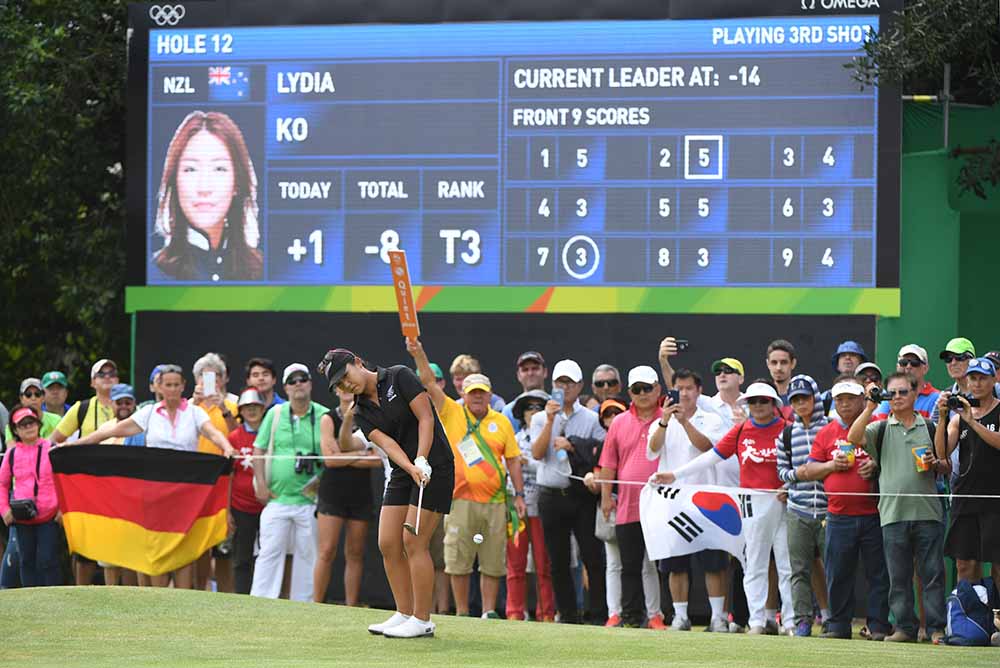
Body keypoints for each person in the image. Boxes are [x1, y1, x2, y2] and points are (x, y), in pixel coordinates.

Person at [321, 348, 454, 639]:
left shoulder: (399, 376)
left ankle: (422, 620)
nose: (346, 385)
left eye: (345, 376)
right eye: (339, 385)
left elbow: (426, 419)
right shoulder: (361, 410)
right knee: (387, 542)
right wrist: (409, 466)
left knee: (413, 540)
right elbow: (388, 445)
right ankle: (404, 612)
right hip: (402, 471)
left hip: (437, 466)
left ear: (357, 362)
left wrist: (422, 459)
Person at [72, 364, 236, 588]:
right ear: (159, 387)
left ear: (183, 386)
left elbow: (213, 432)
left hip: (185, 491)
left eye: (176, 385)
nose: (172, 389)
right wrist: (73, 446)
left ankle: (181, 600)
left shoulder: (194, 412)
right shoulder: (149, 413)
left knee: (182, 544)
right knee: (159, 544)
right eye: (167, 385)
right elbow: (110, 431)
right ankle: (159, 601)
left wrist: (227, 447)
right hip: (155, 492)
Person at [650, 381, 794, 635]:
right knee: (754, 565)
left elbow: (801, 464)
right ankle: (757, 621)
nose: (758, 406)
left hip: (783, 504)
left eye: (763, 401)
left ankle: (791, 622)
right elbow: (711, 456)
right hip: (751, 505)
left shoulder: (788, 431)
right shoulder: (741, 431)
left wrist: (790, 486)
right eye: (753, 402)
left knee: (786, 564)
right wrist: (675, 475)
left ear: (774, 405)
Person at [848, 372, 948, 643]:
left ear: (916, 395)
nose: (898, 398)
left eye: (904, 392)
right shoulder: (879, 428)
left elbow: (946, 464)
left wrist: (935, 461)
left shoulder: (928, 426)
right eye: (892, 393)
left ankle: (937, 628)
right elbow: (853, 436)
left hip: (928, 513)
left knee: (932, 576)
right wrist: (870, 405)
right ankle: (905, 629)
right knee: (899, 579)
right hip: (892, 514)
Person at [800, 378, 890, 641]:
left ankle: (878, 626)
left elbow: (893, 461)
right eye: (840, 399)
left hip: (874, 514)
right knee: (838, 574)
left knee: (878, 575)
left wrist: (876, 465)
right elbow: (809, 469)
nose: (845, 403)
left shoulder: (876, 427)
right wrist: (830, 466)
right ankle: (838, 625)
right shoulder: (826, 433)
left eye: (850, 398)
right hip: (839, 516)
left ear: (863, 400)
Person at [646, 369, 729, 632]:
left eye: (688, 388)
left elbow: (708, 448)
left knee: (713, 563)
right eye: (678, 388)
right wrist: (664, 421)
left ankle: (717, 617)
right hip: (673, 503)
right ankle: (680, 616)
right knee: (675, 563)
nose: (683, 393)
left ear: (699, 391)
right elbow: (652, 452)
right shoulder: (661, 421)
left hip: (707, 501)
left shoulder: (711, 419)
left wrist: (684, 423)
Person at [529, 359, 607, 624]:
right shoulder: (540, 418)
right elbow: (538, 454)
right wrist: (550, 421)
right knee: (558, 561)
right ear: (553, 385)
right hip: (550, 494)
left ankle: (597, 613)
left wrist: (575, 447)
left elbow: (601, 454)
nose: (565, 388)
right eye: (560, 382)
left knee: (592, 557)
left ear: (580, 386)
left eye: (570, 383)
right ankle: (568, 615)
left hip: (581, 495)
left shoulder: (590, 418)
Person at [152, 110, 262, 281]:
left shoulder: (259, 271)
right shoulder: (157, 272)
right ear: (175, 181)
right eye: (190, 169)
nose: (204, 187)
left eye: (219, 169)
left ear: (237, 183)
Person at [248, 364, 326, 602]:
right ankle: (261, 602)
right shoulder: (276, 413)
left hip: (311, 500)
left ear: (310, 384)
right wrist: (260, 484)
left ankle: (304, 604)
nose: (298, 384)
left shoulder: (323, 415)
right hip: (277, 498)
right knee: (268, 552)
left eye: (303, 379)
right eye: (292, 381)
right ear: (286, 387)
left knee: (308, 555)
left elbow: (332, 454)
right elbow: (258, 449)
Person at [597, 365, 666, 630]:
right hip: (627, 505)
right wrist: (606, 496)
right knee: (629, 565)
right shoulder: (619, 422)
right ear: (630, 392)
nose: (642, 394)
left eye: (647, 388)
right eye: (637, 389)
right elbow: (608, 464)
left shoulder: (668, 418)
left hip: (661, 505)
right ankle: (631, 616)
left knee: (659, 564)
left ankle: (656, 614)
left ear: (657, 389)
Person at [51, 358, 120, 586]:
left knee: (116, 541)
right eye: (102, 374)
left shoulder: (127, 405)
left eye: (112, 373)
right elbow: (54, 441)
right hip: (88, 485)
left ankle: (120, 594)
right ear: (93, 382)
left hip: (119, 485)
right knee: (85, 545)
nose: (108, 377)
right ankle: (82, 595)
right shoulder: (82, 408)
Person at [313, 388, 382, 606]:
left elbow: (378, 460)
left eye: (349, 386)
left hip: (360, 494)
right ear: (334, 390)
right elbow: (329, 461)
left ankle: (351, 606)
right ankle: (316, 604)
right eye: (341, 386)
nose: (346, 391)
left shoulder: (369, 418)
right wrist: (362, 454)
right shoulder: (328, 418)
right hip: (332, 493)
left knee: (355, 553)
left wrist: (343, 455)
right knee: (326, 550)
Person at [935, 357, 1000, 585]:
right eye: (973, 378)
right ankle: (970, 616)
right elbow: (942, 453)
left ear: (994, 380)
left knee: (997, 564)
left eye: (983, 378)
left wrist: (973, 422)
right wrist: (943, 418)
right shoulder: (958, 416)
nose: (977, 384)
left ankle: (996, 616)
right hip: (966, 495)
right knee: (965, 563)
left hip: (995, 497)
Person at [775, 375, 830, 637]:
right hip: (798, 509)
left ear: (815, 397)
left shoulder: (830, 427)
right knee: (799, 570)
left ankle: (831, 618)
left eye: (804, 397)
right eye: (795, 399)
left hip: (830, 510)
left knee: (834, 569)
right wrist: (801, 474)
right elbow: (782, 472)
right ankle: (803, 621)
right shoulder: (786, 433)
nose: (800, 403)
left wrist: (816, 471)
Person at [505, 390, 556, 622]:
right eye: (529, 408)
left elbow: (553, 470)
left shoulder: (551, 437)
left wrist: (528, 463)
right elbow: (506, 471)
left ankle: (546, 613)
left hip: (542, 506)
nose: (534, 412)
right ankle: (515, 611)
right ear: (522, 413)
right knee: (515, 563)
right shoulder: (514, 439)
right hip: (517, 508)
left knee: (543, 563)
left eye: (538, 408)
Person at [0, 406, 60, 586]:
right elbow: (2, 484)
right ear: (16, 430)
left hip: (49, 515)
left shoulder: (52, 449)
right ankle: (30, 601)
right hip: (22, 517)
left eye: (31, 422)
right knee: (26, 561)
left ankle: (56, 600)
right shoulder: (11, 454)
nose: (28, 427)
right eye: (23, 425)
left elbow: (64, 481)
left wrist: (63, 509)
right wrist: (4, 510)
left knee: (48, 560)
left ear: (38, 424)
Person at [228, 388, 267, 595]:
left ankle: (268, 597)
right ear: (240, 410)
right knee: (242, 557)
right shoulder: (234, 437)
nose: (251, 411)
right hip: (240, 506)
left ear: (263, 409)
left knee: (268, 555)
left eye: (255, 407)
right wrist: (226, 511)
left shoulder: (270, 434)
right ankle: (242, 597)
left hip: (268, 505)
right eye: (247, 407)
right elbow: (230, 477)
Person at [873, 345, 939, 420]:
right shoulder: (889, 396)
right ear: (897, 366)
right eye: (904, 362)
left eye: (914, 363)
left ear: (925, 368)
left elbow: (934, 429)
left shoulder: (937, 398)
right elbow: (880, 425)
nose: (908, 366)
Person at [501, 351, 548, 430]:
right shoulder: (508, 411)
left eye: (535, 368)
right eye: (525, 370)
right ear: (518, 376)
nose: (530, 373)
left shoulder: (555, 404)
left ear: (545, 372)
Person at [766, 340, 797, 418]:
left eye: (783, 362)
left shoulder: (801, 397)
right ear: (768, 364)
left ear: (793, 363)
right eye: (774, 362)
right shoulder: (761, 398)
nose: (778, 368)